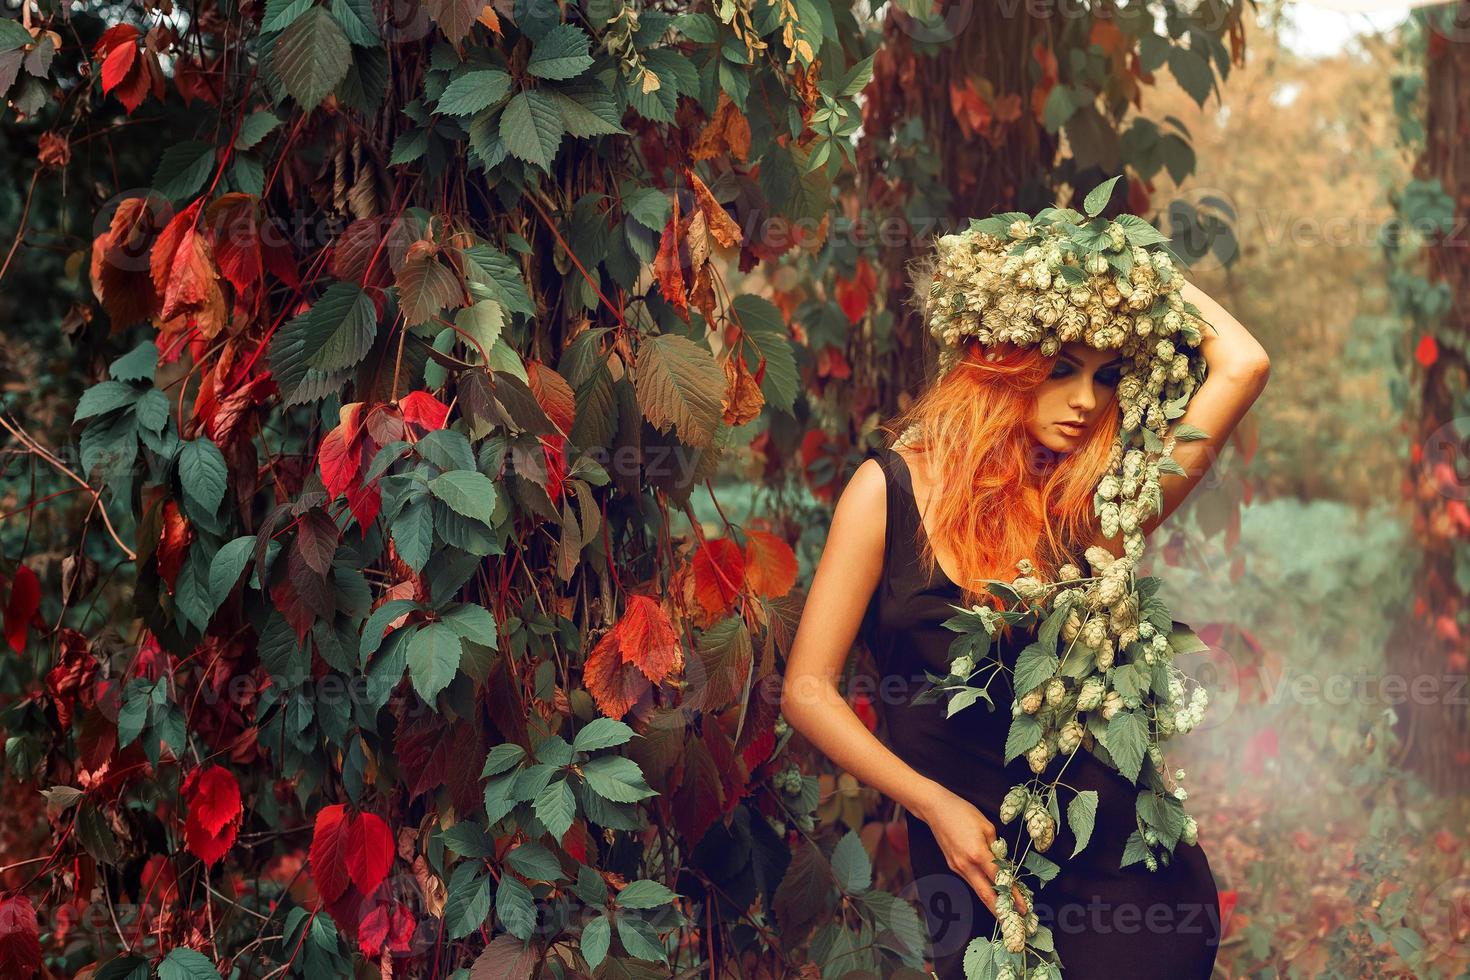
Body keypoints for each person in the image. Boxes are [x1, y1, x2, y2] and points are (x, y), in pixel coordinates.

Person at [779, 278, 1269, 978]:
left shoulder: (1092, 510)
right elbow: (806, 689)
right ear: (996, 359)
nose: (1087, 401)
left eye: (1106, 378)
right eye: (1061, 368)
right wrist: (931, 804)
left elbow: (1244, 364)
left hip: (1131, 901)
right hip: (976, 885)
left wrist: (1127, 264)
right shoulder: (886, 493)